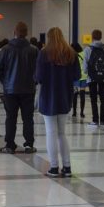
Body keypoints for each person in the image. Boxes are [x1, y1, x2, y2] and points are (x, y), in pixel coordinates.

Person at [36, 27, 81, 177]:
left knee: (51, 133)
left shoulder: (44, 53)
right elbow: (77, 75)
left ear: (48, 38)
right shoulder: (71, 53)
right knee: (62, 133)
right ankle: (67, 167)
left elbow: (39, 77)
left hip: (48, 96)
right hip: (65, 96)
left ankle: (54, 167)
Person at [0, 21, 39, 154]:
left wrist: (5, 82)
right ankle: (29, 145)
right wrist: (34, 82)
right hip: (28, 89)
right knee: (28, 118)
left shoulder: (6, 49)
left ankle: (9, 144)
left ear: (14, 32)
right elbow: (39, 70)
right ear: (26, 33)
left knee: (11, 117)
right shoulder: (34, 50)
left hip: (10, 90)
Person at [83, 29, 104, 127]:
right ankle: (103, 121)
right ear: (101, 36)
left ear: (92, 37)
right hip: (103, 78)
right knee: (103, 100)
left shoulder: (87, 49)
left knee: (93, 99)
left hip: (92, 78)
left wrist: (89, 73)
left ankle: (95, 120)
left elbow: (85, 67)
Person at [71, 42, 87, 119]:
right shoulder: (84, 53)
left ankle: (74, 112)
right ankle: (82, 112)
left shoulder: (73, 55)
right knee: (82, 95)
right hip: (84, 77)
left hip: (76, 77)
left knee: (75, 95)